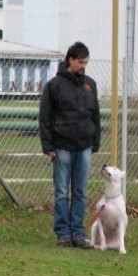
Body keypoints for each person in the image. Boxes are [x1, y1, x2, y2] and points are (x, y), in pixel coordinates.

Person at [39, 42, 101, 248]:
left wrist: (95, 141)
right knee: (62, 192)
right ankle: (63, 233)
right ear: (71, 60)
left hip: (84, 147)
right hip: (62, 146)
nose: (84, 66)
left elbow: (96, 116)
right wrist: (48, 145)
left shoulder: (90, 85)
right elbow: (45, 118)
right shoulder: (54, 86)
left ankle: (78, 233)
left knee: (80, 192)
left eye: (86, 62)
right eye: (81, 62)